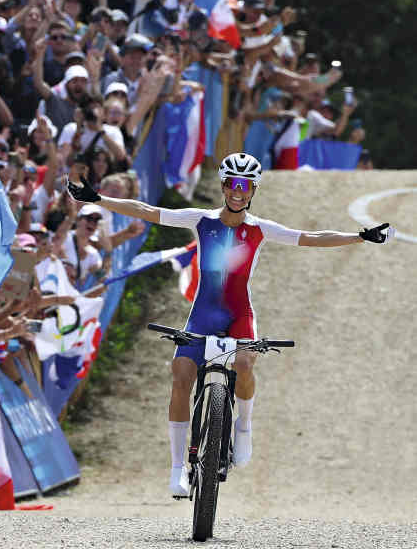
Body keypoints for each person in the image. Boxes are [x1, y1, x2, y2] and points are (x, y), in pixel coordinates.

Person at [66, 152, 394, 498]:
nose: (238, 192)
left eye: (246, 186)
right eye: (233, 184)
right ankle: (178, 468)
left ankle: (244, 424)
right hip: (203, 313)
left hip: (239, 313)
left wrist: (360, 236)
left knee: (243, 362)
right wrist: (99, 199)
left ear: (253, 190)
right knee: (181, 375)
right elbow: (148, 212)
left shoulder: (260, 228)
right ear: (224, 186)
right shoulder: (201, 219)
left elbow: (311, 237)